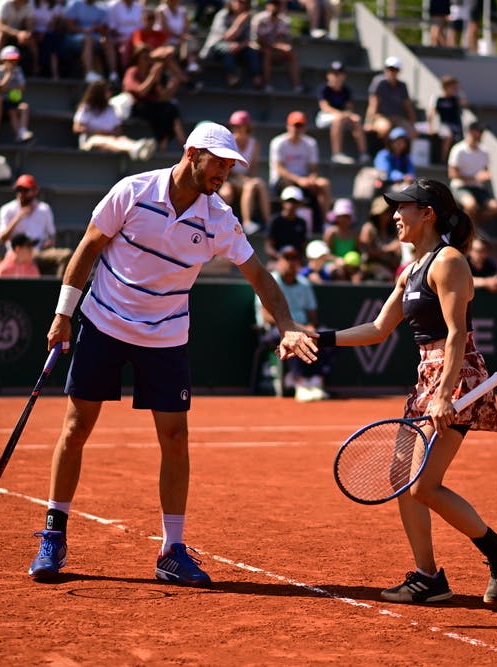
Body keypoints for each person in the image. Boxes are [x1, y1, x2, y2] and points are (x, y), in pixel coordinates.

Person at [26, 121, 318, 583]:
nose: (224, 171)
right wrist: (64, 313)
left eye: (230, 165)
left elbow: (261, 278)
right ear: (191, 153)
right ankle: (53, 536)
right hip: (104, 321)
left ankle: (171, 551)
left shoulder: (220, 218)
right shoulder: (133, 190)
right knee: (77, 426)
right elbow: (88, 246)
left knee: (175, 439)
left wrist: (287, 326)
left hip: (164, 337)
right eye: (218, 161)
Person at [307, 178, 497, 605]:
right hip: (427, 379)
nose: (394, 216)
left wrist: (445, 394)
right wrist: (318, 338)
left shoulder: (448, 261)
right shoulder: (411, 269)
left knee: (423, 486)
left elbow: (456, 333)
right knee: (401, 479)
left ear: (426, 213)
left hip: (454, 375)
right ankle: (428, 577)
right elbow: (376, 330)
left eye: (402, 208)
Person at [255, 245, 333, 401]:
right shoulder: (270, 281)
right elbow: (267, 317)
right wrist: (299, 328)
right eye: (286, 258)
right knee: (293, 336)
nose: (290, 262)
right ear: (279, 261)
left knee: (330, 337)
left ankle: (317, 381)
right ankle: (300, 382)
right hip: (274, 330)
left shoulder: (304, 283)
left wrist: (310, 326)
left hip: (303, 328)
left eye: (294, 258)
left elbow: (312, 315)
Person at [0, 173, 73, 276]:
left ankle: (59, 289)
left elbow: (51, 235)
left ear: (35, 191)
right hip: (17, 253)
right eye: (19, 190)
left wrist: (49, 243)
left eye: (25, 190)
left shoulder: (44, 209)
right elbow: (2, 238)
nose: (21, 194)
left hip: (39, 252)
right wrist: (18, 218)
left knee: (66, 255)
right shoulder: (7, 209)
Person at [269, 110, 331, 228]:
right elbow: (280, 169)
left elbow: (313, 168)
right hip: (283, 180)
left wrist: (312, 178)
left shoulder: (311, 143)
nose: (296, 129)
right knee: (289, 184)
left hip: (303, 180)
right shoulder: (278, 142)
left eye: (300, 126)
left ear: (304, 127)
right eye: (294, 125)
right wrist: (299, 180)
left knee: (324, 184)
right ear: (288, 126)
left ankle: (324, 222)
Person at [123, 45, 186, 152]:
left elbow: (161, 96)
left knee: (169, 109)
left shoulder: (151, 72)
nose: (148, 61)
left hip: (153, 106)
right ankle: (177, 141)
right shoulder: (132, 71)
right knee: (165, 111)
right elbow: (140, 93)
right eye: (145, 58)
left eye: (149, 58)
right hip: (137, 106)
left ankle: (169, 141)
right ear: (137, 59)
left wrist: (171, 85)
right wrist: (152, 77)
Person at [73, 79, 154, 160]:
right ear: (99, 94)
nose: (110, 93)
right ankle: (136, 148)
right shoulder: (86, 108)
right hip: (90, 142)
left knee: (122, 139)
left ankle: (138, 146)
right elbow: (77, 128)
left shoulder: (110, 109)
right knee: (104, 141)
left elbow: (118, 130)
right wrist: (97, 132)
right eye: (107, 91)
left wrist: (108, 133)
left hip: (110, 138)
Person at [218, 109, 269, 234]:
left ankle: (268, 223)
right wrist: (242, 179)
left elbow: (252, 170)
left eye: (239, 125)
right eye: (234, 126)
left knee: (258, 184)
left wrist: (245, 179)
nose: (237, 128)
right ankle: (244, 222)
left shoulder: (255, 144)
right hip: (229, 179)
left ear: (247, 126)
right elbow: (227, 169)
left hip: (244, 179)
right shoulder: (229, 142)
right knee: (233, 190)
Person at [447, 121, 497, 225]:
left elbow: (485, 171)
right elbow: (452, 174)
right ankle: (468, 231)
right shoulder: (458, 150)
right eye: (479, 131)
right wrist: (474, 178)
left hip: (478, 189)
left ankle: (472, 226)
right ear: (471, 132)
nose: (482, 134)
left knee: (496, 208)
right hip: (460, 187)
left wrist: (486, 175)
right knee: (471, 206)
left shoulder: (484, 152)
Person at [315, 60, 368, 165]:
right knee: (339, 119)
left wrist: (348, 114)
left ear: (344, 76)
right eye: (334, 73)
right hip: (325, 117)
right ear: (328, 75)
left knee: (357, 120)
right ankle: (336, 153)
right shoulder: (324, 89)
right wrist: (340, 114)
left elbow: (349, 108)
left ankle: (363, 153)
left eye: (339, 73)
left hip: (342, 116)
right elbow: (324, 107)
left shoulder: (346, 90)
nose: (337, 76)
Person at [199, 0, 260, 89]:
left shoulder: (247, 17)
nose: (239, 4)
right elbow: (226, 37)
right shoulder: (222, 14)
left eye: (243, 2)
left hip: (239, 46)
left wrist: (240, 46)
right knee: (229, 50)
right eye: (237, 1)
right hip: (217, 45)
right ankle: (231, 77)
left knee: (252, 52)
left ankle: (258, 79)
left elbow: (249, 39)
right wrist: (238, 23)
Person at [250, 0, 301, 92]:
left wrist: (281, 46)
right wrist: (277, 46)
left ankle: (297, 85)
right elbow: (260, 41)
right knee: (267, 52)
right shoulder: (259, 19)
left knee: (291, 52)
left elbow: (286, 39)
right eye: (272, 4)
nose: (274, 7)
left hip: (276, 50)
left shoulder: (284, 20)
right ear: (267, 6)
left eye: (277, 4)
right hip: (258, 50)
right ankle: (267, 84)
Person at [364, 56, 417, 143]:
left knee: (412, 132)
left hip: (398, 118)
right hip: (381, 117)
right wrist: (368, 122)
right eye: (389, 69)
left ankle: (404, 155)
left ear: (399, 71)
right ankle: (388, 152)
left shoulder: (402, 86)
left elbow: (408, 105)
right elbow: (373, 104)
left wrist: (413, 123)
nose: (391, 72)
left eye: (394, 69)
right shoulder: (379, 83)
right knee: (385, 129)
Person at [0, 45, 35, 142]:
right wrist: (8, 74)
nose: (13, 62)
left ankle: (22, 131)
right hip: (2, 103)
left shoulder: (18, 70)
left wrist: (9, 88)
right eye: (10, 60)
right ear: (3, 59)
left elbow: (22, 87)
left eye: (15, 60)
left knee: (24, 107)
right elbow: (0, 89)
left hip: (14, 101)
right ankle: (18, 134)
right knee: (12, 112)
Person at [63, 0, 113, 83]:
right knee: (89, 40)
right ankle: (88, 73)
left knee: (108, 41)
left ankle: (113, 74)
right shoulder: (75, 4)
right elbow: (69, 27)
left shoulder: (102, 8)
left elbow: (104, 30)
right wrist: (85, 30)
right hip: (75, 37)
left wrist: (99, 29)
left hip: (96, 38)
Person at [358, 195, 401, 281]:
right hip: (370, 268)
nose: (389, 214)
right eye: (385, 211)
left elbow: (397, 253)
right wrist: (389, 249)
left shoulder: (394, 229)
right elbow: (366, 251)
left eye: (390, 211)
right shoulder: (368, 228)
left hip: (391, 268)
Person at [264, 184, 309, 261]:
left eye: (295, 201)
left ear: (299, 204)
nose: (291, 204)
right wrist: (281, 257)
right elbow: (268, 247)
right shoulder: (275, 221)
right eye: (289, 201)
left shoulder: (302, 222)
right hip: (277, 261)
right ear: (283, 202)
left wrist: (294, 260)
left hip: (296, 262)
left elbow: (303, 247)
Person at [426, 75, 466, 164]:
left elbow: (464, 103)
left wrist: (458, 93)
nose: (454, 89)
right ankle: (443, 160)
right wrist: (430, 126)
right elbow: (431, 113)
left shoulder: (456, 98)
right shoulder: (438, 98)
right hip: (443, 125)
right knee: (448, 136)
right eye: (452, 87)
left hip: (456, 125)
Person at [0, 0, 37, 69]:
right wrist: (17, 34)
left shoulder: (29, 3)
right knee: (0, 36)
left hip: (17, 32)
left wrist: (27, 34)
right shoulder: (3, 3)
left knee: (30, 38)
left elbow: (30, 24)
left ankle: (35, 68)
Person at [374, 126, 417, 192]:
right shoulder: (383, 155)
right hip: (386, 187)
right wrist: (402, 177)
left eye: (402, 142)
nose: (399, 144)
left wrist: (410, 177)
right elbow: (384, 174)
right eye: (396, 141)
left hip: (403, 185)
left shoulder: (406, 157)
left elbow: (411, 172)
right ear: (390, 142)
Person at [32, 0, 66, 80]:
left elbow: (53, 24)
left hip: (48, 34)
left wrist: (43, 34)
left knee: (52, 38)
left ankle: (53, 73)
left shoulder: (56, 6)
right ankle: (37, 69)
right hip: (33, 33)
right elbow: (29, 21)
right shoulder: (31, 3)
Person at [322, 197, 359, 261]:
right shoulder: (331, 233)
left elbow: (358, 252)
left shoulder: (354, 234)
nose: (344, 219)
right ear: (336, 217)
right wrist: (337, 260)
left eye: (347, 216)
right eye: (341, 216)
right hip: (332, 265)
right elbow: (325, 254)